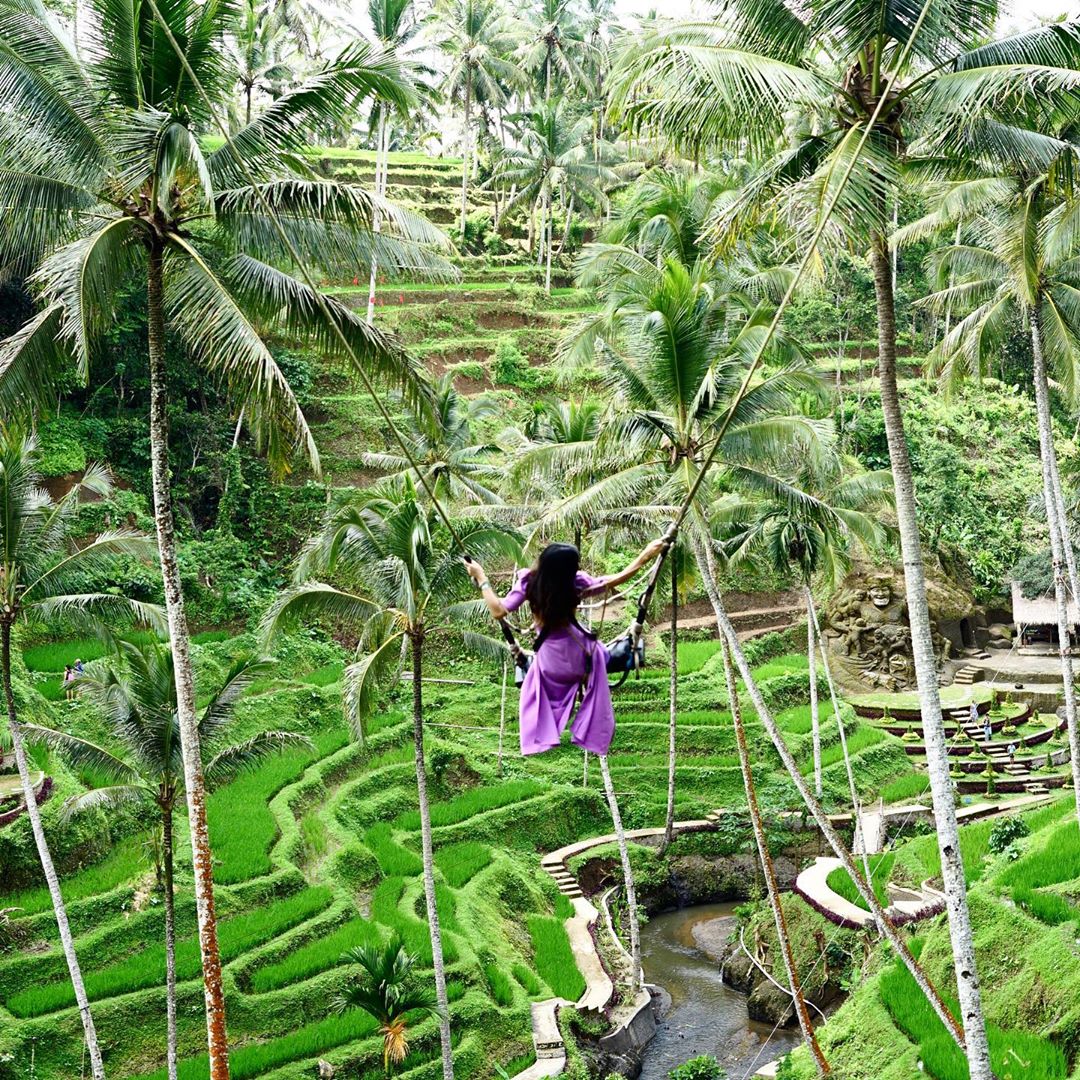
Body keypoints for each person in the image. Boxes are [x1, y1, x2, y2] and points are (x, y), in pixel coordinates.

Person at [467, 538, 668, 756]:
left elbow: (498, 611)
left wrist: (482, 578)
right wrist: (646, 555)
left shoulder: (530, 583)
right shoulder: (576, 583)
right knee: (601, 652)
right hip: (585, 659)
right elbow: (614, 580)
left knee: (531, 682)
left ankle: (542, 735)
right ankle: (615, 661)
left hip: (551, 665)